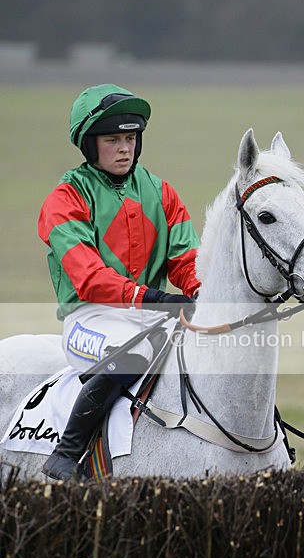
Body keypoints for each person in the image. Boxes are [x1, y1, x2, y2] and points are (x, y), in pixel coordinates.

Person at [38, 83, 201, 481]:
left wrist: (206, 294)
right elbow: (90, 279)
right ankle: (67, 453)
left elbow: (186, 260)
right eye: (113, 139)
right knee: (131, 356)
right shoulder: (65, 199)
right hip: (90, 320)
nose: (125, 148)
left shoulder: (162, 193)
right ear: (90, 145)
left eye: (130, 138)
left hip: (152, 318)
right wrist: (154, 297)